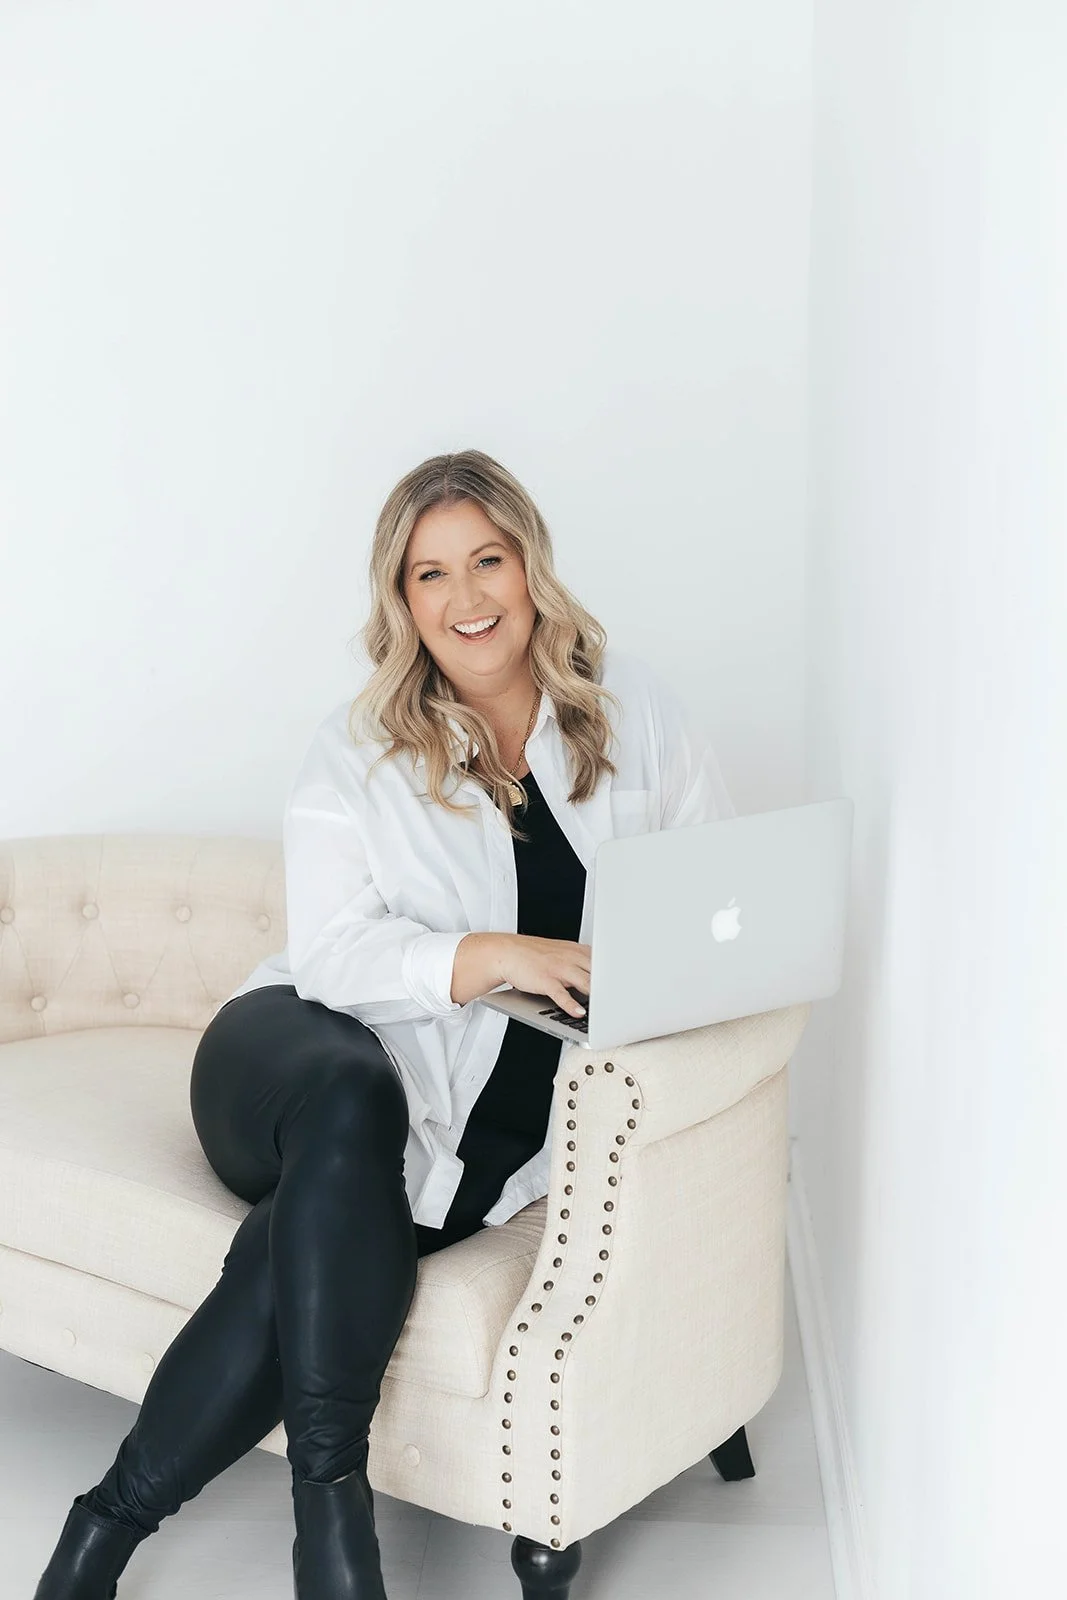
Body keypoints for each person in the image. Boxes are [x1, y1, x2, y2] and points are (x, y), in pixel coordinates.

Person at [32, 449, 733, 1600]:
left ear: (529, 564)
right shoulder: (361, 745)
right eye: (430, 574)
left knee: (302, 1246)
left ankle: (101, 1531)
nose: (466, 599)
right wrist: (492, 956)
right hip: (290, 1049)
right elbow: (332, 957)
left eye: (486, 561)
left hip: (468, 1124)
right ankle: (333, 1518)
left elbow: (712, 888)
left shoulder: (629, 710)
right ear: (400, 599)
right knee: (355, 1097)